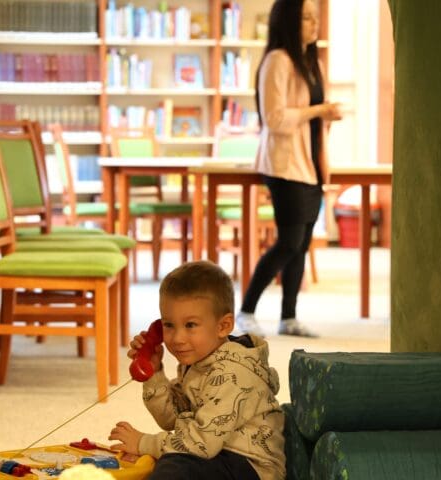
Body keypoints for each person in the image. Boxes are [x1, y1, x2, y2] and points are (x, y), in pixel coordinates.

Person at [108, 261, 285, 480]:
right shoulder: (198, 362)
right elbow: (171, 419)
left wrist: (144, 443)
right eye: (168, 325)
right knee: (165, 461)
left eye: (190, 325)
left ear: (223, 326)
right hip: (215, 455)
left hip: (250, 467)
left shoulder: (233, 374)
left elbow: (201, 443)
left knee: (174, 465)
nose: (177, 338)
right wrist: (154, 373)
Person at [235, 0, 342, 338]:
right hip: (285, 165)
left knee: (302, 244)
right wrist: (318, 111)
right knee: (289, 242)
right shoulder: (277, 61)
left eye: (315, 17)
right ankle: (246, 310)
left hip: (311, 164)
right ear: (289, 22)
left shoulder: (313, 63)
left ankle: (289, 317)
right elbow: (275, 119)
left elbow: (313, 118)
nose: (314, 24)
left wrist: (327, 115)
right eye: (306, 18)